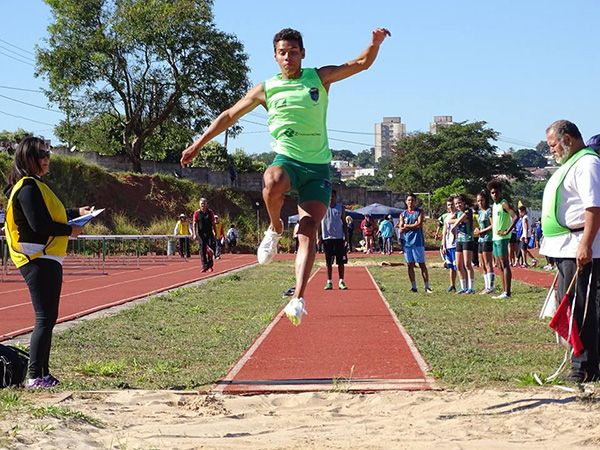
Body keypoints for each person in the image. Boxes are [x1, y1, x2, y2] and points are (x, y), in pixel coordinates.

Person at [181, 27, 390, 325]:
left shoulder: (319, 78)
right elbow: (229, 115)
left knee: (307, 232)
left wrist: (374, 43)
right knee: (272, 180)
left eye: (293, 51)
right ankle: (275, 228)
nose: (288, 57)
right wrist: (198, 144)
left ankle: (298, 298)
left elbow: (360, 64)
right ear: (275, 56)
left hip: (317, 168)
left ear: (302, 53)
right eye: (283, 52)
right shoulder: (267, 88)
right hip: (288, 160)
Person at [3, 137, 89, 388]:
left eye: (48, 154)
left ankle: (42, 373)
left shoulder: (36, 186)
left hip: (46, 256)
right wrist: (69, 230)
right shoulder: (28, 187)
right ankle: (34, 376)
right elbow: (39, 225)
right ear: (29, 159)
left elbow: (50, 215)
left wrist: (77, 213)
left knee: (49, 316)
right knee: (44, 317)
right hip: (37, 257)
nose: (47, 159)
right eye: (42, 155)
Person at [540, 120, 600, 382]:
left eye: (553, 144)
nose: (551, 150)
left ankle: (584, 365)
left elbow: (593, 208)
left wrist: (585, 244)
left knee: (581, 308)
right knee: (571, 306)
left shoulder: (588, 164)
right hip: (565, 248)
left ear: (569, 138)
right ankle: (584, 361)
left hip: (579, 247)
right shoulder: (571, 165)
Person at [487, 179, 518, 299]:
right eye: (492, 193)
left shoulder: (504, 203)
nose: (494, 195)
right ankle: (504, 291)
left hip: (502, 238)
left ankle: (507, 292)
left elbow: (515, 216)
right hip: (495, 238)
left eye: (495, 192)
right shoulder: (494, 205)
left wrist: (507, 231)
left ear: (500, 192)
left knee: (505, 264)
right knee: (499, 265)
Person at [399, 193, 432, 293]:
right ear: (406, 202)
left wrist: (406, 226)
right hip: (407, 242)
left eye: (412, 200)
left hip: (417, 242)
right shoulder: (403, 214)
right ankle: (414, 287)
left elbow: (418, 224)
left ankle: (427, 286)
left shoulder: (419, 212)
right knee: (410, 265)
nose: (410, 202)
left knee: (421, 264)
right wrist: (404, 226)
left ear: (415, 201)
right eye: (409, 200)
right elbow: (400, 227)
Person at [319, 189, 348, 290]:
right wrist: (318, 237)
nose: (331, 198)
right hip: (327, 238)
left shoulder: (340, 208)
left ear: (336, 197)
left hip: (339, 238)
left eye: (333, 196)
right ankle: (329, 281)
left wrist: (346, 238)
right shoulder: (322, 208)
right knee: (328, 262)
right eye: (329, 196)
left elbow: (344, 223)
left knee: (340, 262)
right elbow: (318, 224)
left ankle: (341, 281)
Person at [449, 194, 475, 294]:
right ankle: (463, 287)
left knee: (467, 264)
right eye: (456, 203)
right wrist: (457, 221)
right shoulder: (458, 213)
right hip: (459, 240)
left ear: (464, 203)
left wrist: (455, 225)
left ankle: (471, 288)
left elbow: (462, 219)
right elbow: (449, 220)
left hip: (467, 239)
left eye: (459, 203)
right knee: (459, 265)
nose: (458, 205)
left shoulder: (468, 211)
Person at [474, 190, 495, 294]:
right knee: (482, 263)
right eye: (478, 201)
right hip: (480, 239)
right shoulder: (479, 212)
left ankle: (491, 286)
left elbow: (493, 225)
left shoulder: (489, 211)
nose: (480, 203)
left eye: (481, 200)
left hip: (487, 238)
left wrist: (481, 231)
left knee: (488, 262)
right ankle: (486, 285)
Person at [192, 198, 216, 272]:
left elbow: (213, 223)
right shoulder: (196, 213)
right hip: (200, 234)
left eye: (204, 203)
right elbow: (194, 224)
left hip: (209, 233)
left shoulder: (210, 212)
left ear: (206, 204)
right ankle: (204, 266)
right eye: (201, 203)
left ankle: (210, 266)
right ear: (199, 204)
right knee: (202, 250)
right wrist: (194, 234)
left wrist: (215, 232)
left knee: (210, 250)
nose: (203, 205)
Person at [440, 196, 458, 292]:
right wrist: (443, 244)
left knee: (458, 266)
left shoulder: (458, 215)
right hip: (448, 244)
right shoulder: (446, 217)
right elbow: (445, 231)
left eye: (452, 204)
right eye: (448, 205)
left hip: (456, 244)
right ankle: (452, 285)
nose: (450, 206)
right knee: (450, 266)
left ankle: (465, 285)